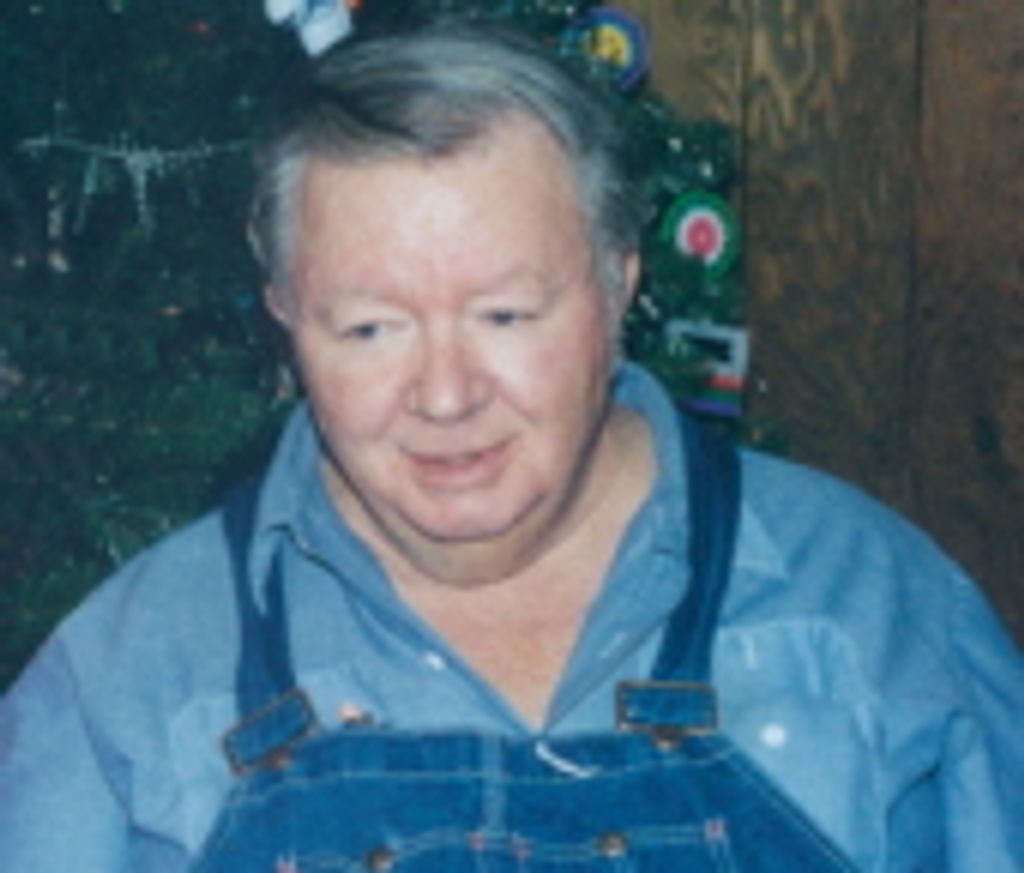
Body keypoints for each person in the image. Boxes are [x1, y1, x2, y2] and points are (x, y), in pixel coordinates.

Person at [1, 19, 1022, 873]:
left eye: (505, 316)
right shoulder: (128, 678)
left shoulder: (874, 608)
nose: (446, 397)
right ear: (284, 317)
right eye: (370, 329)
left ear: (619, 284)